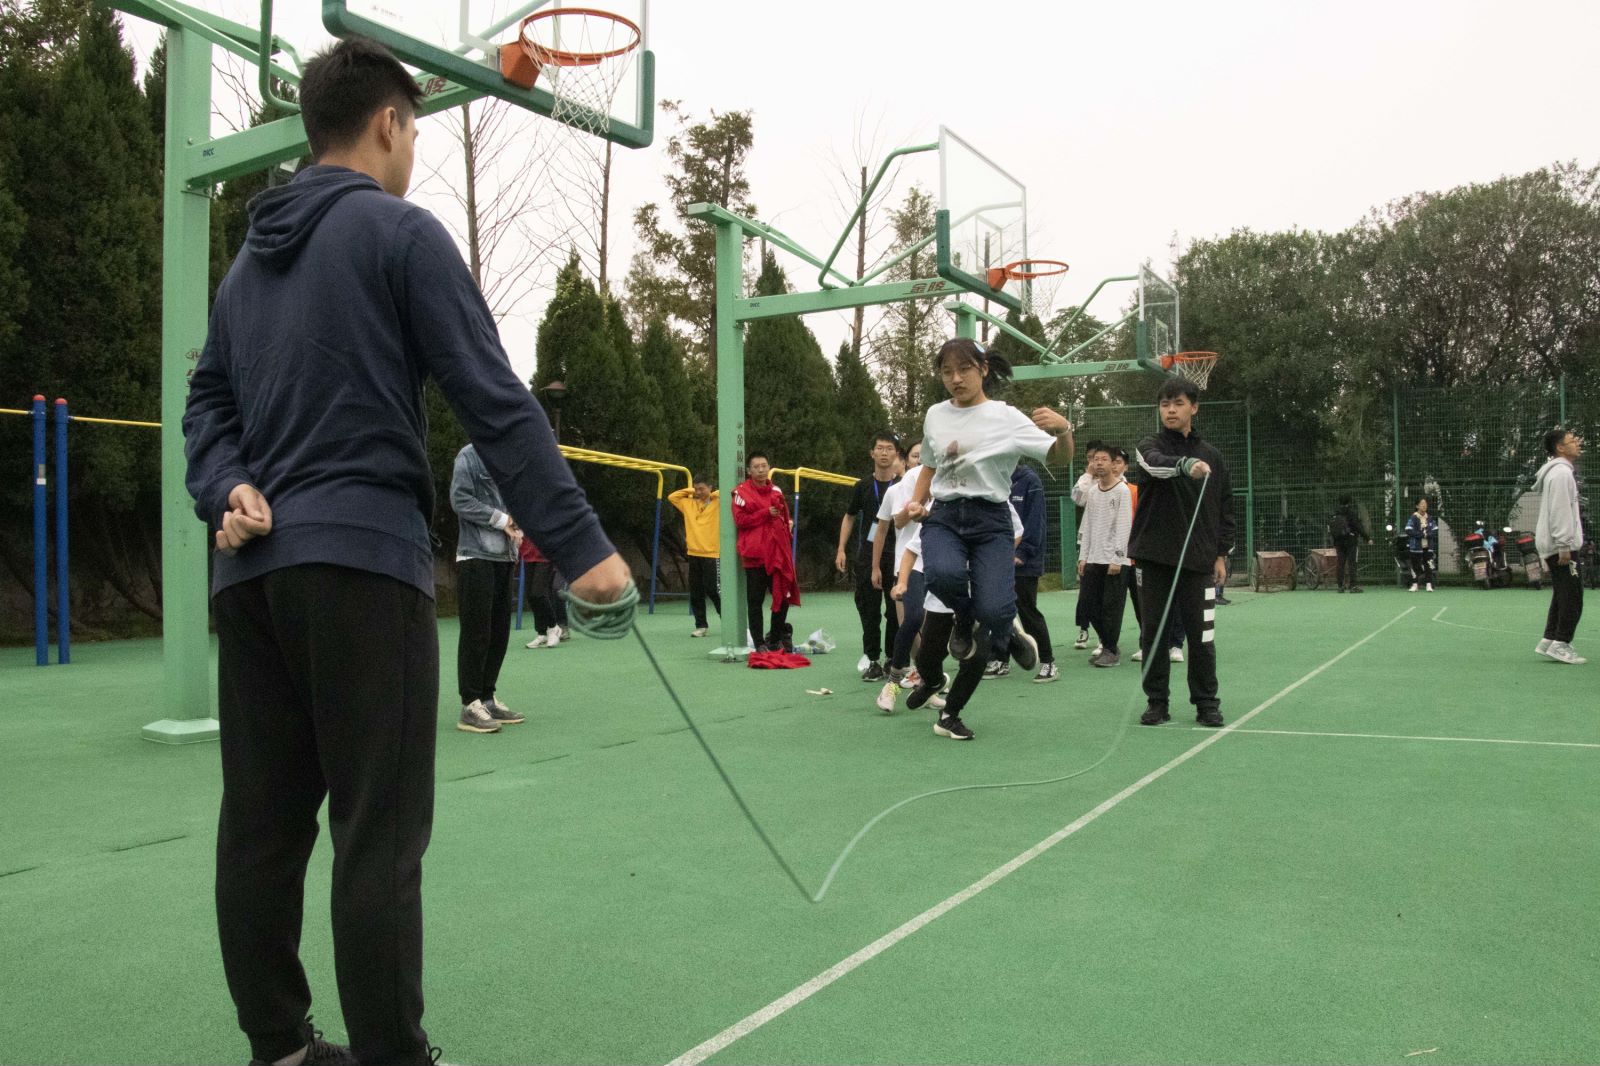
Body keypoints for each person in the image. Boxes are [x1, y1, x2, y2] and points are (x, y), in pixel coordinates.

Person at [182, 37, 632, 1066]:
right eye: (415, 133)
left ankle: (280, 1047)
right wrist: (580, 544)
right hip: (359, 568)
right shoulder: (400, 231)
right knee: (377, 833)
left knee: (261, 826)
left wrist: (225, 484)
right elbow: (493, 397)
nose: (413, 150)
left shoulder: (245, 267)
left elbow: (205, 407)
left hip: (250, 576)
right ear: (389, 123)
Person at [903, 338, 1073, 741]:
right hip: (946, 516)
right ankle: (973, 628)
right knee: (941, 576)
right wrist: (916, 501)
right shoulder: (935, 415)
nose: (956, 379)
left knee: (994, 609)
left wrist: (1065, 430)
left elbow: (1058, 457)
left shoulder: (1006, 417)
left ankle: (999, 635)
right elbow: (930, 465)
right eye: (947, 372)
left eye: (964, 369)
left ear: (983, 369)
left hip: (990, 520)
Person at [1128, 377, 1234, 728]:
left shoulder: (1213, 456)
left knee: (1202, 637)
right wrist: (1186, 466)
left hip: (1198, 561)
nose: (1170, 410)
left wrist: (1220, 554)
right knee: (1154, 634)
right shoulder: (1148, 446)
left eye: (1178, 403)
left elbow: (1225, 507)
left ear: (1194, 407)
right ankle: (1156, 703)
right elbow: (1155, 464)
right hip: (1153, 558)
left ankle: (1207, 704)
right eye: (1164, 404)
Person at [450, 443, 527, 733]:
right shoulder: (469, 456)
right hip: (475, 556)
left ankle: (487, 697)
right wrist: (503, 520)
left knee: (498, 633)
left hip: (504, 557)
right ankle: (470, 704)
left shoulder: (509, 458)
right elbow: (460, 499)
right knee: (477, 632)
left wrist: (517, 526)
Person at [837, 431, 901, 680]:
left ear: (897, 454)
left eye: (889, 448)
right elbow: (849, 516)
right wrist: (841, 548)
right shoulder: (862, 486)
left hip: (896, 556)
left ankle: (892, 659)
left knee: (895, 610)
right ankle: (872, 659)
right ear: (872, 453)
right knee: (869, 609)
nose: (884, 453)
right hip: (867, 556)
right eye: (880, 448)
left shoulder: (904, 485)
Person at [1071, 441, 1132, 668]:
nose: (1099, 463)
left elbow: (1124, 525)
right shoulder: (1093, 492)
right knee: (1088, 604)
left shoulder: (1122, 490)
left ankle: (1110, 650)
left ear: (1113, 463)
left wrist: (1118, 557)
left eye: (1104, 459)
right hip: (1093, 558)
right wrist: (1083, 556)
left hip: (1115, 561)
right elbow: (1087, 525)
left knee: (1111, 607)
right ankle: (1107, 644)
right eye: (1095, 459)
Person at [733, 451, 799, 651]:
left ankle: (775, 638)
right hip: (754, 557)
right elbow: (740, 520)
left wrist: (787, 524)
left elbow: (785, 516)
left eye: (764, 466)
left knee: (783, 598)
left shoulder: (776, 491)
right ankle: (759, 643)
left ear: (769, 467)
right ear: (749, 470)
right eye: (756, 467)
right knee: (755, 601)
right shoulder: (740, 493)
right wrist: (765, 513)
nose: (761, 470)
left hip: (777, 555)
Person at [1000, 460, 1059, 681]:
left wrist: (1023, 553)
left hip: (1024, 561)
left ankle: (1048, 662)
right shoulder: (995, 477)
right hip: (998, 558)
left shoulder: (1030, 481)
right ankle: (1000, 660)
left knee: (1027, 611)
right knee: (998, 610)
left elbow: (1035, 521)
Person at [1534, 427, 1586, 664]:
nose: (1577, 443)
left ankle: (1550, 639)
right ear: (1560, 447)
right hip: (1561, 546)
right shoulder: (1561, 474)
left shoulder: (1559, 472)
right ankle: (1561, 642)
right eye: (1572, 440)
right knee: (1573, 596)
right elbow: (1560, 510)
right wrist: (1565, 545)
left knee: (1563, 593)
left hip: (1556, 544)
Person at [872, 442, 923, 678]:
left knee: (930, 625)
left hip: (934, 560)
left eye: (924, 456)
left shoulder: (940, 486)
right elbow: (888, 527)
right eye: (915, 456)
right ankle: (916, 672)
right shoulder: (895, 492)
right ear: (905, 461)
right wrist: (875, 566)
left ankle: (925, 672)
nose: (920, 460)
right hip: (905, 565)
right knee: (909, 623)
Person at [668, 476, 721, 636]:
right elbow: (672, 497)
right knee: (696, 591)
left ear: (710, 487)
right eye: (696, 489)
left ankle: (728, 621)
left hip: (712, 553)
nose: (698, 492)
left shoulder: (718, 503)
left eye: (701, 488)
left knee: (713, 589)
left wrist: (712, 494)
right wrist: (692, 490)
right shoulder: (688, 504)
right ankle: (701, 625)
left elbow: (728, 493)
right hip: (693, 553)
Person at [519, 537, 570, 648]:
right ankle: (542, 633)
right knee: (530, 596)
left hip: (545, 555)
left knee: (538, 593)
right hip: (527, 553)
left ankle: (554, 626)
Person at [1330, 493, 1372, 593]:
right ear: (1349, 501)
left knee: (1340, 563)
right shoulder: (1351, 512)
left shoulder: (1335, 512)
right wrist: (1367, 538)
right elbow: (1358, 526)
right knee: (1352, 563)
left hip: (1339, 541)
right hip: (1351, 541)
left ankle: (1340, 586)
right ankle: (1353, 586)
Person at [1404, 497, 1439, 592]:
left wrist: (1428, 535)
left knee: (1429, 565)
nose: (1424, 505)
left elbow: (1435, 530)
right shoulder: (1413, 517)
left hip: (1428, 546)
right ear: (1417, 506)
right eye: (1422, 504)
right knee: (1415, 565)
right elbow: (1408, 530)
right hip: (1416, 546)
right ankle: (1415, 584)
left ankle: (1429, 584)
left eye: (1425, 503)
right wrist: (1421, 535)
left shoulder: (1430, 518)